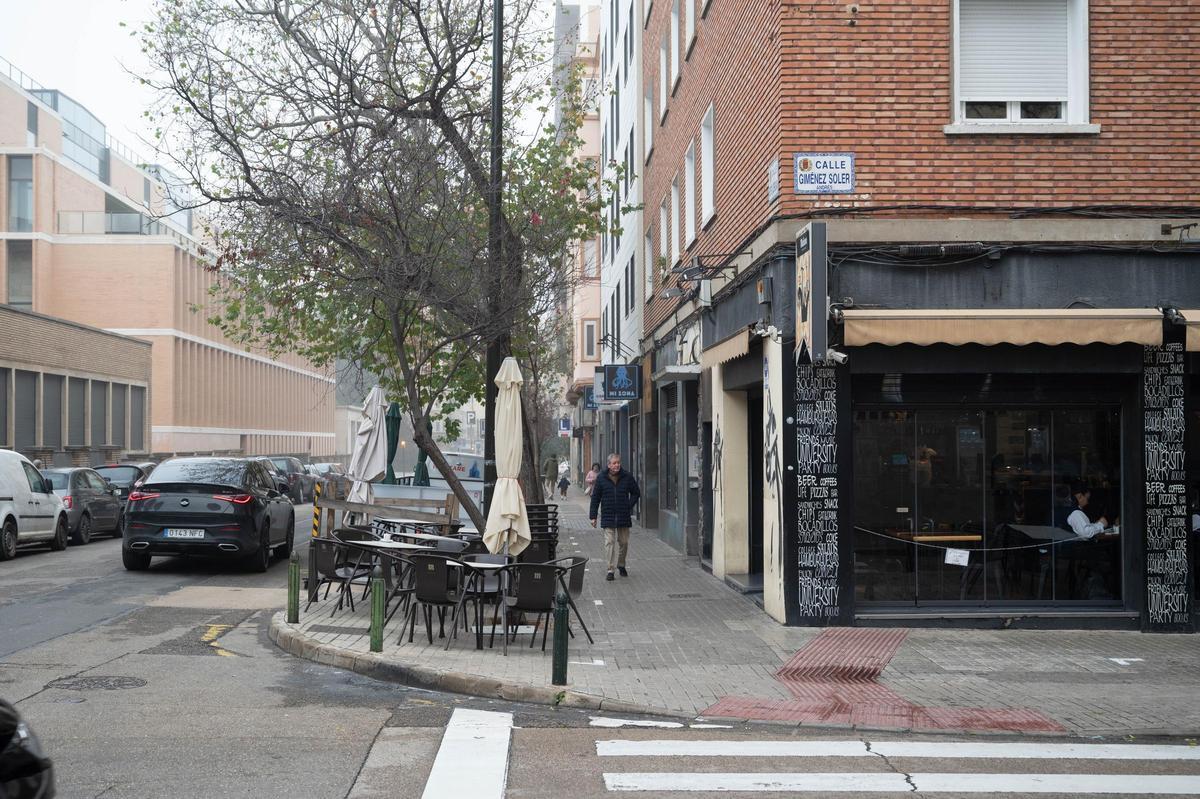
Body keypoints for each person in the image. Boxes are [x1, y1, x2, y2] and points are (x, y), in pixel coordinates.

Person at [589, 453, 641, 582]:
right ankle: (610, 569)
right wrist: (593, 516)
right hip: (608, 514)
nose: (616, 465)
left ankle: (621, 564)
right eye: (614, 463)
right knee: (609, 542)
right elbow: (595, 498)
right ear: (609, 465)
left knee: (623, 542)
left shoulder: (627, 476)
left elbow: (636, 492)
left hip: (623, 515)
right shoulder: (601, 478)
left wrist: (628, 505)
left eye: (618, 462)